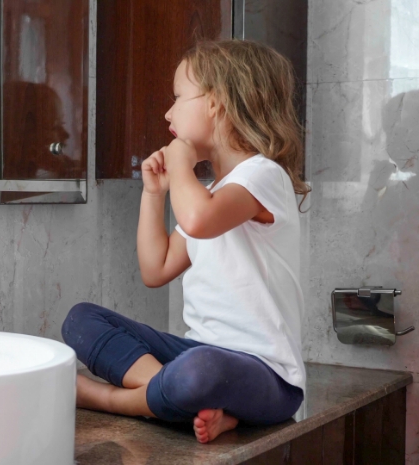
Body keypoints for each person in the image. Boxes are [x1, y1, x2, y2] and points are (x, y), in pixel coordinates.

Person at [61, 39, 311, 444]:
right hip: (197, 357)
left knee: (202, 372)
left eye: (178, 97)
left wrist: (180, 160)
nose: (168, 111)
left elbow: (198, 220)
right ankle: (188, 400)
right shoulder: (212, 191)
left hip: (268, 377)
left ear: (217, 102)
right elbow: (155, 269)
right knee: (81, 320)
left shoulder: (264, 175)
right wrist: (153, 193)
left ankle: (112, 399)